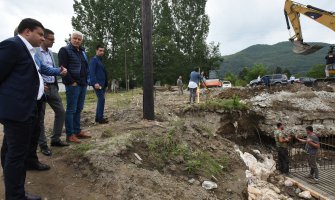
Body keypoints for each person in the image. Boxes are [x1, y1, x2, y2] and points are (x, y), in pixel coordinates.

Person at [0, 18, 45, 200]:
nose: (43, 38)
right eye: (40, 34)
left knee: (10, 152)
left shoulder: (27, 50)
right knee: (16, 156)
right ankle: (16, 196)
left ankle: (13, 190)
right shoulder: (13, 45)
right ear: (27, 31)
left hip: (25, 109)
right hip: (18, 111)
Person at [36, 29, 69, 157]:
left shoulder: (50, 53)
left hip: (53, 87)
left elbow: (50, 69)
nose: (53, 41)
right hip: (41, 88)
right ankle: (43, 145)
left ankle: (55, 139)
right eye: (51, 39)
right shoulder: (36, 52)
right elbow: (42, 69)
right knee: (40, 118)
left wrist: (58, 71)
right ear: (43, 38)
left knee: (61, 112)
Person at [58, 30, 91, 143]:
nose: (77, 40)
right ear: (70, 38)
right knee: (71, 110)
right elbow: (62, 68)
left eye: (79, 39)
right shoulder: (64, 50)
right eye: (75, 38)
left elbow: (85, 67)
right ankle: (70, 134)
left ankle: (77, 131)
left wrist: (87, 80)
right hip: (73, 85)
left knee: (79, 109)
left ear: (82, 41)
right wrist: (72, 82)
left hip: (83, 84)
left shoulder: (82, 51)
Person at [89, 44, 108, 124]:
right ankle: (100, 118)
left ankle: (98, 118)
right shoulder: (94, 60)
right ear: (96, 51)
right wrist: (95, 83)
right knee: (101, 99)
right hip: (98, 84)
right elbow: (91, 72)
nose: (102, 52)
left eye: (103, 51)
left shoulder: (100, 60)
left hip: (102, 84)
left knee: (101, 100)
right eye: (100, 50)